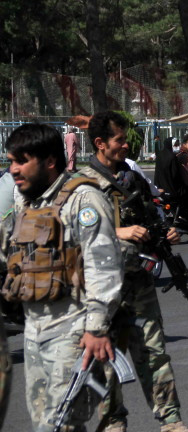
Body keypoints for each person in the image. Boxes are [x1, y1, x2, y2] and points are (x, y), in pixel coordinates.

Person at [0, 123, 123, 432]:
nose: (13, 170)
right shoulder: (24, 200)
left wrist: (95, 328)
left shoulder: (83, 200)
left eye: (22, 161)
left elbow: (104, 267)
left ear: (50, 161)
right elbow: (11, 251)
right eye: (10, 162)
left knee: (60, 426)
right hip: (34, 331)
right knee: (44, 423)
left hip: (74, 332)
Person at [79, 111, 188, 432]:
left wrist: (166, 231)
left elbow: (154, 212)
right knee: (105, 364)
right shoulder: (85, 185)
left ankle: (171, 420)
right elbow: (76, 235)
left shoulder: (132, 177)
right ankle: (113, 423)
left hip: (139, 282)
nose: (127, 145)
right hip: (103, 289)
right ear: (100, 144)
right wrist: (118, 232)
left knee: (154, 354)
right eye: (119, 140)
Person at [154, 137, 188, 203]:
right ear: (170, 145)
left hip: (159, 188)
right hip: (172, 190)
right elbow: (175, 175)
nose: (178, 147)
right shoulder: (172, 157)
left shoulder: (159, 156)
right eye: (175, 145)